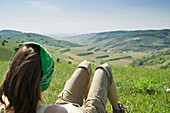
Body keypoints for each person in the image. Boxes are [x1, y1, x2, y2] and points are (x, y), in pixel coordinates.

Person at [0, 42, 125, 113]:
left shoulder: (5, 105)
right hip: (74, 109)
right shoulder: (54, 111)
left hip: (65, 104)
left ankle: (88, 104)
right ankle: (117, 109)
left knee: (85, 66)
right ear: (45, 81)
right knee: (104, 69)